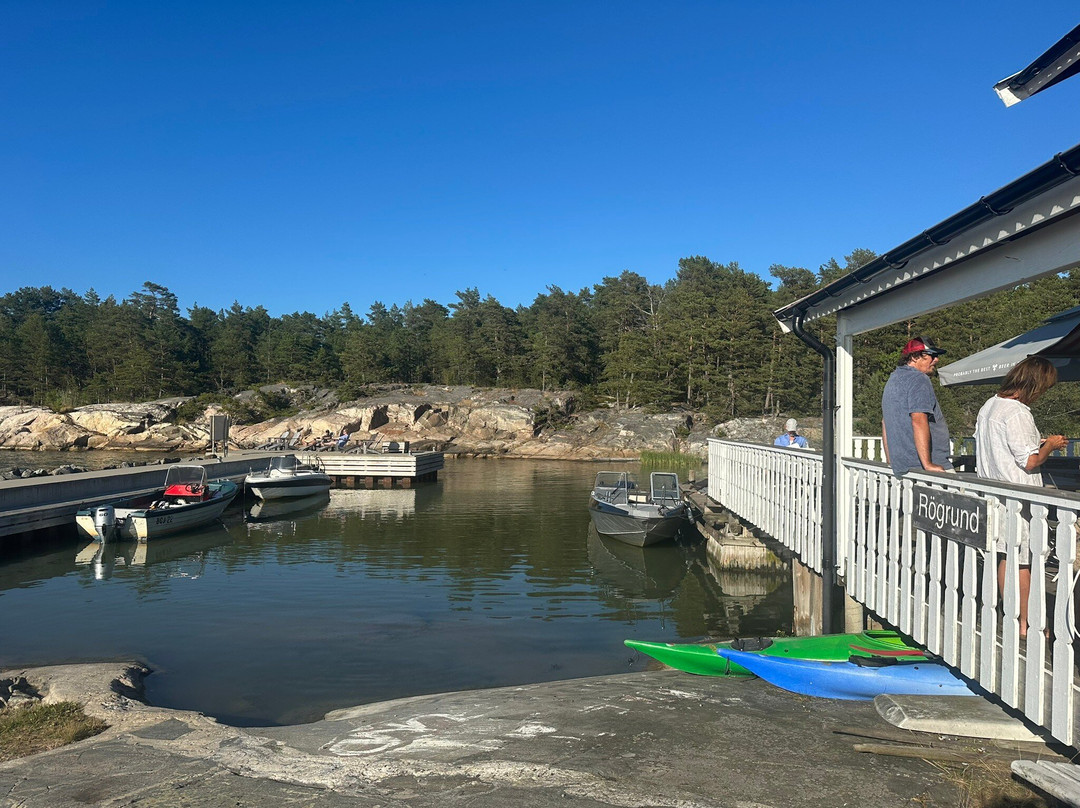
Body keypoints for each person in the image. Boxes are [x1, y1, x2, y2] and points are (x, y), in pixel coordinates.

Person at [975, 356, 1068, 639]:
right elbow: (1029, 462)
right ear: (1034, 385)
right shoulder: (1017, 412)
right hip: (1020, 497)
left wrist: (1037, 445)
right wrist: (1050, 445)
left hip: (996, 493)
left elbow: (1004, 450)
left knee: (1007, 556)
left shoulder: (989, 405)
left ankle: (1012, 616)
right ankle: (1027, 622)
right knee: (1024, 561)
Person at [881, 336, 951, 474]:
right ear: (914, 357)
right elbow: (918, 419)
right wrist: (928, 464)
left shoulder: (893, 379)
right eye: (932, 355)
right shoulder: (919, 379)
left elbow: (885, 423)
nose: (937, 360)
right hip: (927, 468)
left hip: (904, 468)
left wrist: (891, 461)